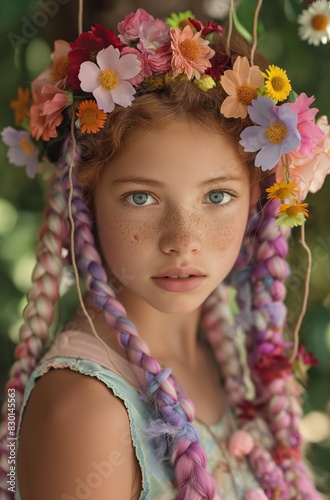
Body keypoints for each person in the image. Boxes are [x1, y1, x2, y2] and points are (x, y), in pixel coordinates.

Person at [0, 6, 329, 500]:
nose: (182, 239)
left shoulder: (225, 353)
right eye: (141, 197)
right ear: (85, 199)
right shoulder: (85, 413)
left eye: (217, 196)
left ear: (258, 200)